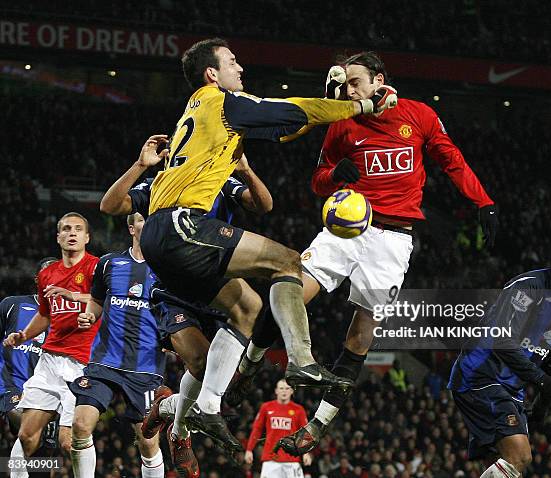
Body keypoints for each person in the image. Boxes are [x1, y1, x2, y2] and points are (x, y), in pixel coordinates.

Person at [234, 51, 497, 455]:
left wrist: (483, 202)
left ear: (379, 80)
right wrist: (335, 175)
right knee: (290, 288)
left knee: (361, 335)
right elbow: (319, 182)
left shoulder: (419, 115)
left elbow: (451, 159)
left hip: (393, 240)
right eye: (345, 84)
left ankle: (318, 425)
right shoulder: (342, 122)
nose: (349, 90)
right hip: (344, 228)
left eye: (356, 82)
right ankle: (250, 363)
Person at [138, 40, 397, 427]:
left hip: (161, 236)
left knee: (247, 307)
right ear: (212, 73)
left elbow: (284, 128)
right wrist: (361, 105)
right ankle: (301, 361)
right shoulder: (220, 101)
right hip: (182, 224)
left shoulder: (204, 111)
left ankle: (207, 409)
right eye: (232, 61)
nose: (240, 68)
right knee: (288, 262)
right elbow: (293, 109)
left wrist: (326, 100)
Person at [100, 135, 273, 471]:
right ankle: (180, 427)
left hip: (213, 282)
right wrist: (139, 166)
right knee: (200, 365)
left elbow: (264, 205)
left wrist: (247, 171)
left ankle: (171, 419)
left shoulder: (221, 181)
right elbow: (109, 206)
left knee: (213, 375)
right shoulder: (159, 184)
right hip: (173, 286)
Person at [448, 237, 551, 477]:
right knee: (520, 456)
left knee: (504, 465)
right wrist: (543, 382)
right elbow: (502, 341)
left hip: (510, 387)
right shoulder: (528, 287)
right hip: (479, 375)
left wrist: (542, 404)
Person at [69, 212, 166, 478]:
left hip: (145, 367)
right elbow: (98, 300)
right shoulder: (109, 263)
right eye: (143, 220)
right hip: (104, 361)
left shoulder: (169, 269)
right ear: (131, 227)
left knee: (148, 442)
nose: (149, 226)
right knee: (79, 425)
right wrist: (90, 314)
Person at [3, 212, 99, 477]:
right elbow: (45, 314)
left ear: (87, 237)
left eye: (78, 229)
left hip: (81, 364)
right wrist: (24, 335)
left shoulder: (97, 267)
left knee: (68, 441)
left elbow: (109, 299)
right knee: (26, 435)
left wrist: (73, 295)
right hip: (48, 363)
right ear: (58, 237)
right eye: (66, 229)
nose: (72, 233)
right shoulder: (48, 274)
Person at [0, 257, 56, 436]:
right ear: (37, 279)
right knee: (22, 420)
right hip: (11, 379)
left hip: (44, 386)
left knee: (40, 450)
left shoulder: (69, 316)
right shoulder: (12, 304)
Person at [245, 379, 311, 478]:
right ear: (276, 391)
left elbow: (305, 433)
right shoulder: (266, 407)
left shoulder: (299, 410)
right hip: (270, 460)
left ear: (292, 391)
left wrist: (306, 453)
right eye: (281, 388)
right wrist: (249, 449)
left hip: (292, 460)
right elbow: (257, 429)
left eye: (287, 388)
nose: (284, 391)